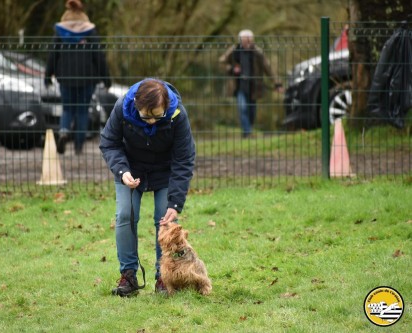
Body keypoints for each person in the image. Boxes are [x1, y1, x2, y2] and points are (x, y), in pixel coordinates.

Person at [99, 78, 196, 297]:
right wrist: (123, 171)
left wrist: (176, 202)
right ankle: (129, 277)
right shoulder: (122, 108)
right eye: (146, 116)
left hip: (164, 171)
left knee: (165, 220)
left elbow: (184, 158)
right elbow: (109, 142)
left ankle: (164, 278)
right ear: (135, 105)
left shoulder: (177, 114)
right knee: (125, 215)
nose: (152, 121)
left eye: (157, 116)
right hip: (131, 170)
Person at [45, 0, 111, 155]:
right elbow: (99, 57)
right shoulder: (90, 32)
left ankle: (63, 132)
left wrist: (48, 75)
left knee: (67, 108)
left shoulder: (60, 32)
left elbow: (52, 55)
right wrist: (106, 79)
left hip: (65, 78)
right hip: (87, 79)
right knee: (82, 111)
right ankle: (79, 146)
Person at [219, 29, 283, 137]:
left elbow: (268, 68)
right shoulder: (234, 51)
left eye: (250, 40)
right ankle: (247, 133)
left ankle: (247, 130)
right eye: (246, 40)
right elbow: (221, 62)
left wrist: (277, 83)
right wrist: (232, 68)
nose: (248, 42)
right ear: (240, 40)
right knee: (243, 108)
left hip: (254, 87)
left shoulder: (257, 52)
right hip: (239, 86)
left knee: (252, 112)